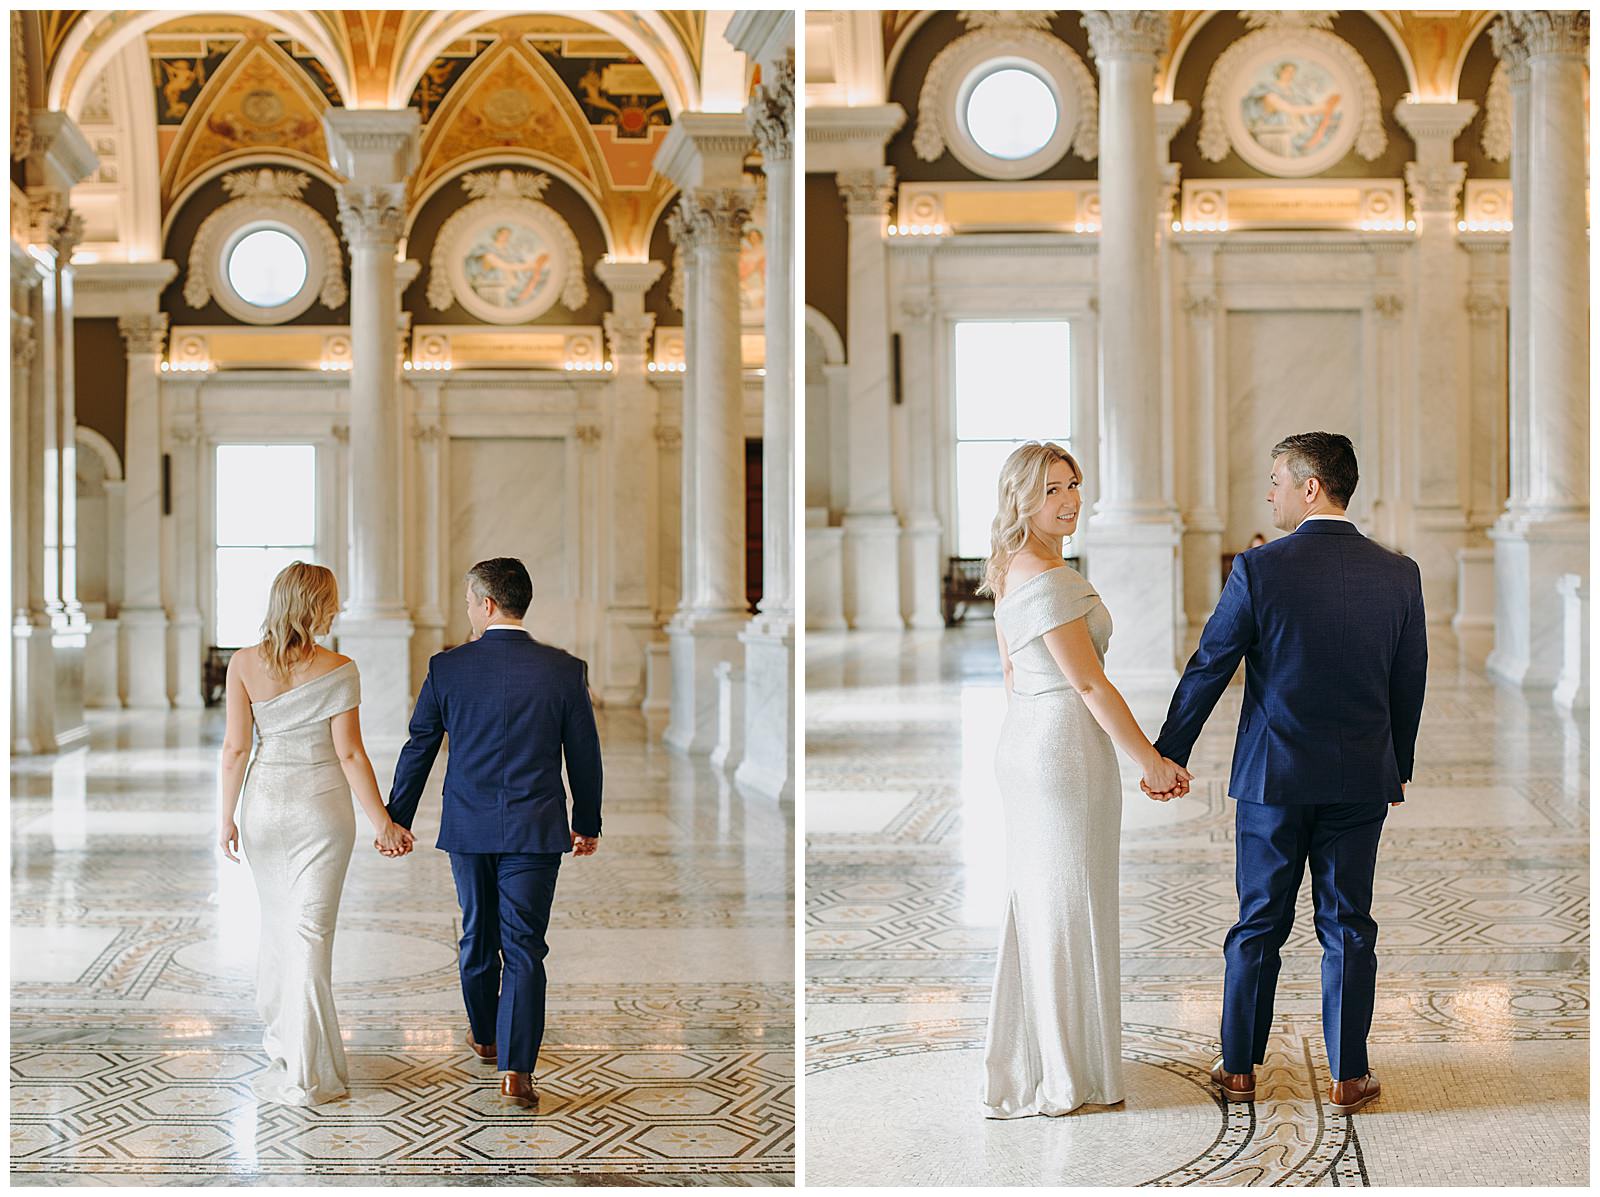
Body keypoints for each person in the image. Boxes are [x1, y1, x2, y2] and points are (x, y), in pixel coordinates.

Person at [1147, 432, 1426, 1116]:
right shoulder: (1399, 573)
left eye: (1276, 478)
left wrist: (1169, 752)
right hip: (1361, 777)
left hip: (1273, 781)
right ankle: (1349, 1075)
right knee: (1349, 924)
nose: (1268, 491)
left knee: (1258, 921)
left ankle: (1239, 1065)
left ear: (1311, 487)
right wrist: (1396, 766)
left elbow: (1210, 665)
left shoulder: (1259, 569)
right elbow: (1408, 682)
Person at [977, 441, 1191, 1118]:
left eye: (1073, 484)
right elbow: (1091, 683)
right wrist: (1150, 761)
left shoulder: (1014, 567)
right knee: (1072, 902)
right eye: (1050, 490)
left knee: (1048, 901)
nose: (1068, 500)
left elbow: (1015, 676)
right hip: (1062, 748)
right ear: (1021, 500)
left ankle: (1048, 1058)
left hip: (1029, 739)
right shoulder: (1047, 578)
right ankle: (1071, 1072)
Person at [384, 557, 603, 1110]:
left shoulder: (448, 668)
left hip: (468, 825)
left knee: (477, 936)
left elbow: (420, 747)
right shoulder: (564, 669)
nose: (467, 610)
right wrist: (588, 821)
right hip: (535, 827)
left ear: (485, 604)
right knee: (525, 947)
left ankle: (484, 1035)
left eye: (467, 601)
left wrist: (396, 817)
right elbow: (585, 757)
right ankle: (516, 1072)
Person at [217, 562, 413, 1106]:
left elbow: (236, 750)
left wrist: (226, 817)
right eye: (332, 600)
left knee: (282, 928)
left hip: (263, 809)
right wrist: (384, 823)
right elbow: (349, 753)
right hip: (320, 813)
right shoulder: (340, 667)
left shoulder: (243, 664)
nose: (338, 609)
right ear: (314, 604)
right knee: (309, 934)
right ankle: (308, 1069)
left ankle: (291, 1048)